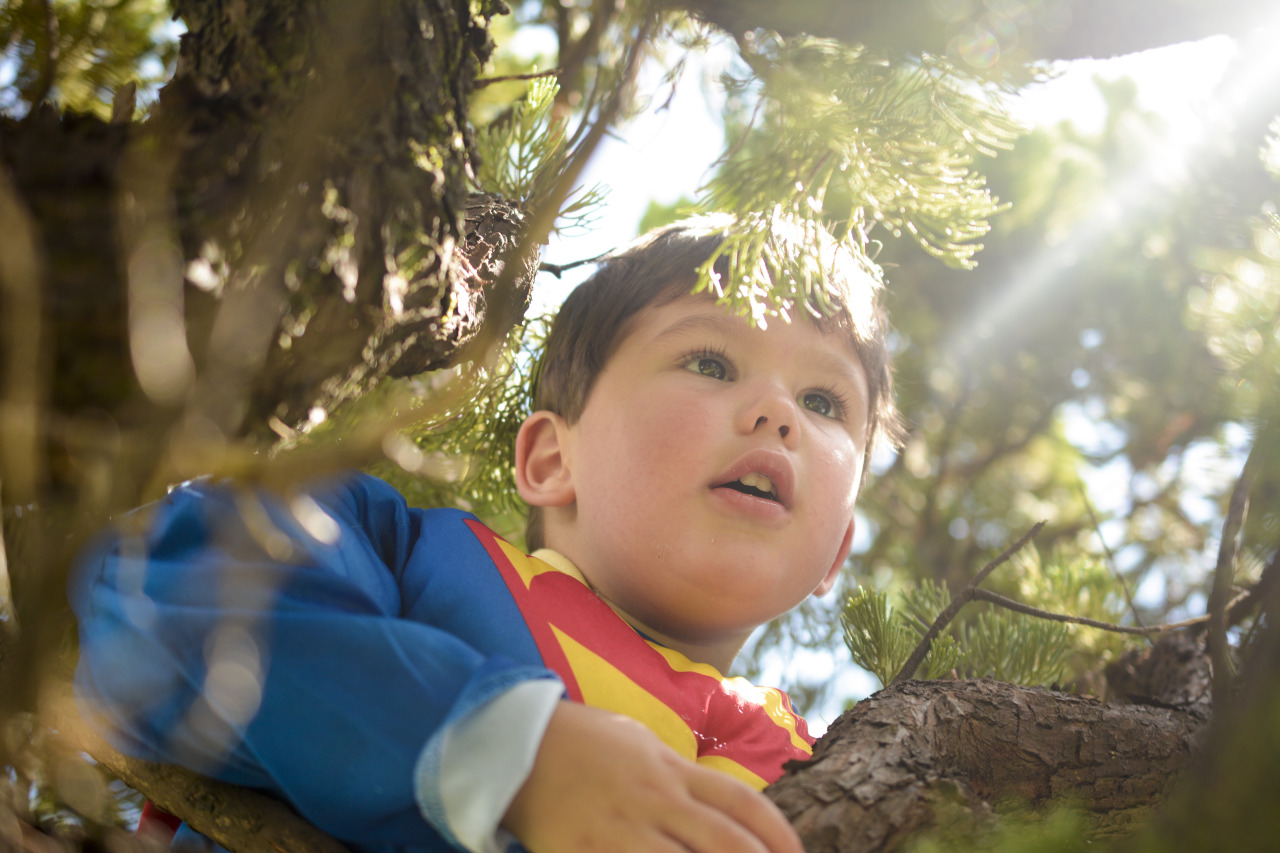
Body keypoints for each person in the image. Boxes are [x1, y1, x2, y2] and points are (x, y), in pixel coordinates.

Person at [70, 214, 899, 853]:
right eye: (711, 362)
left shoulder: (836, 763)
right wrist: (508, 755)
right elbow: (168, 590)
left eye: (824, 401)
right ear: (551, 459)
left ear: (837, 551)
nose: (778, 413)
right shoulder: (405, 551)